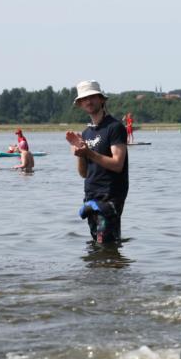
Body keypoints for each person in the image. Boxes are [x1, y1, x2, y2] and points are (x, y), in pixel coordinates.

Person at [66, 80, 128, 244]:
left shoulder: (114, 127)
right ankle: (106, 269)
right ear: (80, 104)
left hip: (111, 196)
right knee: (98, 243)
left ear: (101, 99)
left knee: (106, 243)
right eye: (84, 99)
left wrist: (89, 152)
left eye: (92, 97)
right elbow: (84, 173)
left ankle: (113, 268)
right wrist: (79, 153)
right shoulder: (86, 133)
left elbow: (117, 164)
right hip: (91, 197)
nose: (88, 101)